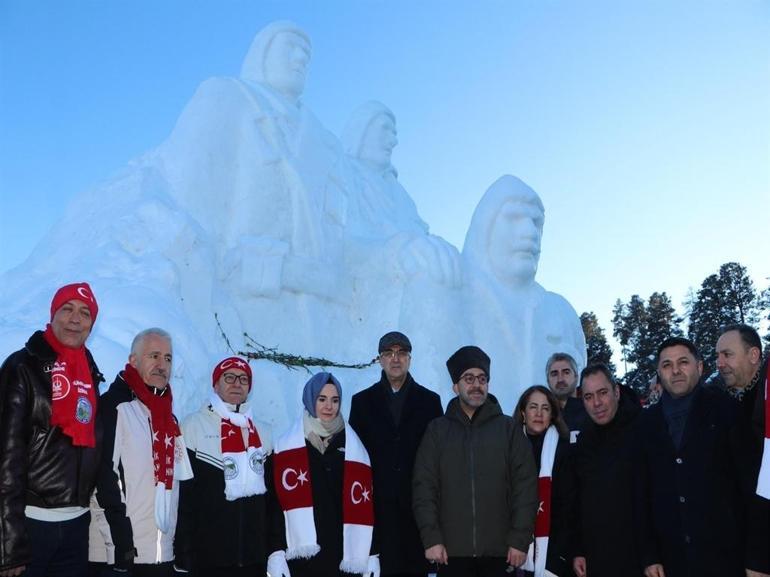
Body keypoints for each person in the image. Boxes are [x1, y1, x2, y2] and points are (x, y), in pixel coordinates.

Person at [0, 282, 102, 577]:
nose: (75, 318)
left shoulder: (90, 372)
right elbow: (6, 457)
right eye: (67, 309)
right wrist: (8, 541)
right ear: (53, 314)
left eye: (85, 313)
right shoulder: (22, 367)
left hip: (76, 524)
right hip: (31, 525)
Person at [412, 345, 537, 576]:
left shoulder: (508, 430)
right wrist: (431, 538)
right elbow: (424, 487)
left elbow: (525, 486)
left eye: (482, 378)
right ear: (455, 386)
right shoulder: (437, 431)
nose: (476, 384)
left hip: (501, 554)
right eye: (468, 378)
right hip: (450, 554)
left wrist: (520, 539)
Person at [462, 175, 586, 400]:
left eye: (536, 222)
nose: (530, 232)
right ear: (486, 227)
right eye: (515, 218)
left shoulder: (560, 310)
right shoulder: (457, 296)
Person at [636, 337, 744, 577]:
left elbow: (746, 485)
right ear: (658, 373)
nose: (675, 370)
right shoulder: (645, 423)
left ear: (699, 366)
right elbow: (641, 493)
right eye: (666, 365)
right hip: (670, 560)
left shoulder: (726, 410)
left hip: (725, 557)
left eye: (683, 362)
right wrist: (649, 555)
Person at [94, 328, 193, 576]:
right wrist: (121, 546)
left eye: (168, 358)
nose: (162, 365)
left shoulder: (168, 417)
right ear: (133, 361)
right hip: (121, 558)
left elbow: (175, 486)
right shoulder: (115, 407)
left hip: (161, 556)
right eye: (154, 356)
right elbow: (103, 480)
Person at [349, 331, 443, 577]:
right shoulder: (361, 403)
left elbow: (438, 460)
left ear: (410, 359)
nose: (395, 358)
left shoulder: (430, 402)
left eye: (401, 353)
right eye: (388, 353)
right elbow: (355, 461)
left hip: (417, 515)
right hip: (376, 514)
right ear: (380, 359)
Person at [268, 372, 379, 577]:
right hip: (303, 561)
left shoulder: (354, 448)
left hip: (342, 556)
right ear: (310, 400)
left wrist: (372, 552)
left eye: (335, 400)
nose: (329, 406)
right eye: (322, 399)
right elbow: (275, 505)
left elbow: (367, 504)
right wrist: (275, 551)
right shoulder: (285, 448)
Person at [175, 356, 276, 576]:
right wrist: (183, 552)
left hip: (253, 560)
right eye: (229, 377)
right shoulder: (193, 426)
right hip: (207, 559)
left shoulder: (264, 433)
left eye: (243, 379)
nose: (237, 383)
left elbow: (271, 503)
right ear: (216, 384)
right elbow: (183, 498)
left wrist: (272, 550)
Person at [572, 363, 641, 577]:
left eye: (603, 393)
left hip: (641, 558)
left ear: (617, 392)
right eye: (589, 397)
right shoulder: (583, 441)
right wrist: (578, 550)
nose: (597, 403)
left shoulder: (644, 429)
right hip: (598, 558)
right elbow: (578, 500)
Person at [716, 325, 770, 576]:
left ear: (753, 355)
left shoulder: (764, 401)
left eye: (727, 354)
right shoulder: (725, 407)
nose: (719, 363)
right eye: (717, 356)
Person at [513, 385, 577, 577]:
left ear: (552, 414)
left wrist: (561, 554)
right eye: (533, 407)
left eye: (545, 408)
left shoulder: (564, 450)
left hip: (555, 550)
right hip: (513, 551)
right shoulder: (509, 447)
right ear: (523, 412)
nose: (539, 413)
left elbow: (570, 505)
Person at [545, 352, 587, 443]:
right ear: (548, 381)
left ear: (576, 377)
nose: (560, 379)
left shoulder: (592, 409)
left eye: (566, 372)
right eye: (554, 374)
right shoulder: (543, 417)